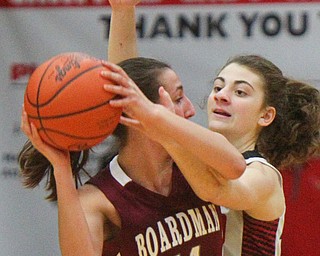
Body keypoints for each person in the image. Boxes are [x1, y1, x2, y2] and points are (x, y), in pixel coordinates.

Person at [18, 1, 246, 256]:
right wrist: (61, 170)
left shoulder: (194, 165)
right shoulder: (100, 199)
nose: (192, 109)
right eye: (178, 97)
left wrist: (123, 11)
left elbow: (235, 166)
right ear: (138, 112)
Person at [100, 54, 320, 255]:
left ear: (265, 115)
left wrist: (163, 127)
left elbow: (216, 189)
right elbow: (134, 82)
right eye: (217, 88)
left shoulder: (263, 176)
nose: (222, 96)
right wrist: (122, 15)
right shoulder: (194, 160)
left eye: (240, 92)